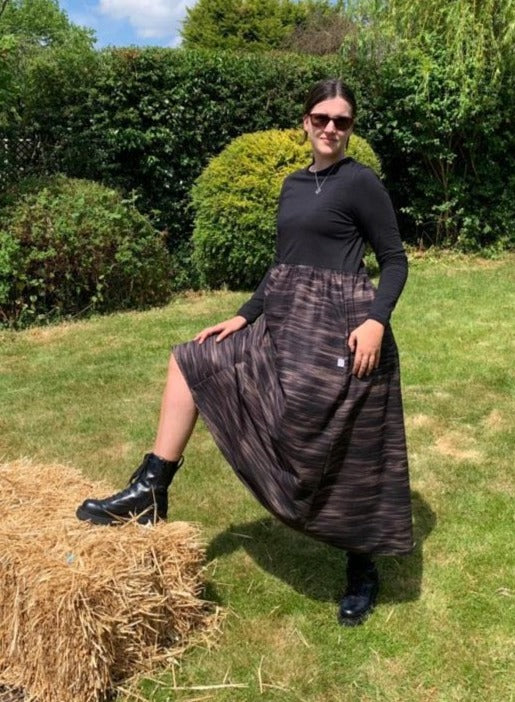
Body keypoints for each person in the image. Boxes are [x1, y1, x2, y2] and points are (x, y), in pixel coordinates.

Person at [76, 78, 415, 627]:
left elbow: (395, 261)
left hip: (343, 327)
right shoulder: (291, 185)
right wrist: (245, 314)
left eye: (342, 121)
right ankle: (150, 490)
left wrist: (376, 321)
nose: (331, 128)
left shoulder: (362, 183)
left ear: (351, 128)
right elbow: (283, 265)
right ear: (305, 123)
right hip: (286, 316)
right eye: (321, 118)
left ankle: (361, 564)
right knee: (192, 360)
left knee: (343, 442)